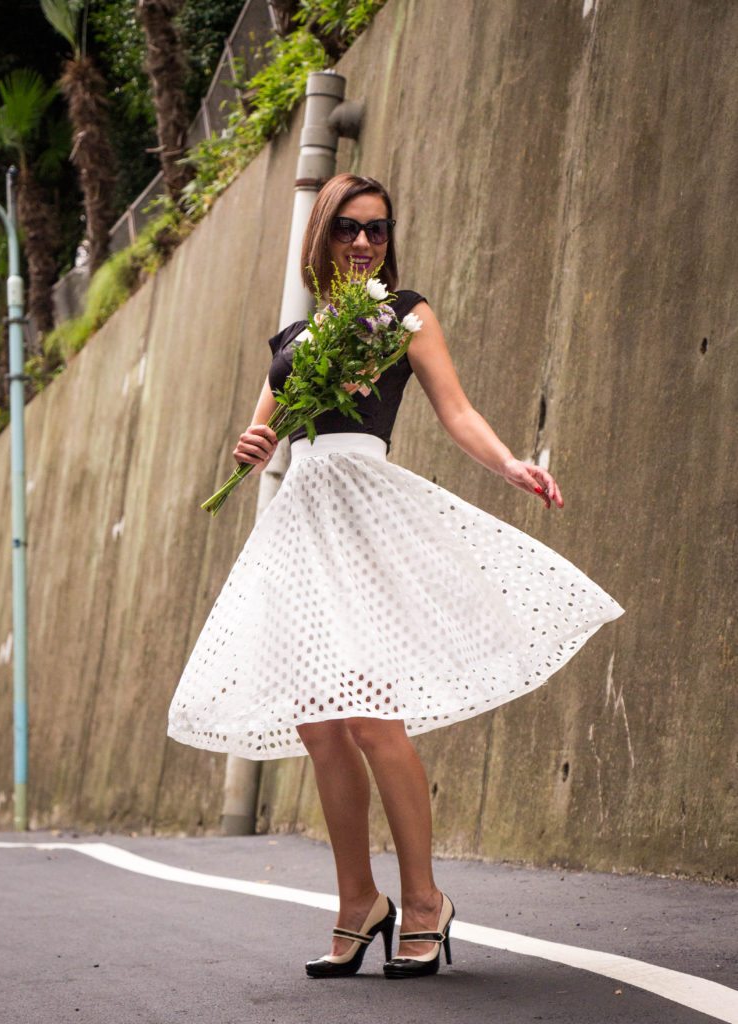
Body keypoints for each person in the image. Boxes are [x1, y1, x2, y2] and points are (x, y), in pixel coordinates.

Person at [167, 173, 624, 980]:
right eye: (349, 228)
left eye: (377, 230)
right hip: (302, 526)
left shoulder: (402, 314)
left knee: (374, 716)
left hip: (367, 515)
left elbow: (456, 410)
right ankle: (357, 904)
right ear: (323, 236)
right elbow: (262, 431)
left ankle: (423, 903)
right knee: (319, 725)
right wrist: (252, 446)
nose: (365, 243)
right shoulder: (291, 341)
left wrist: (510, 462)